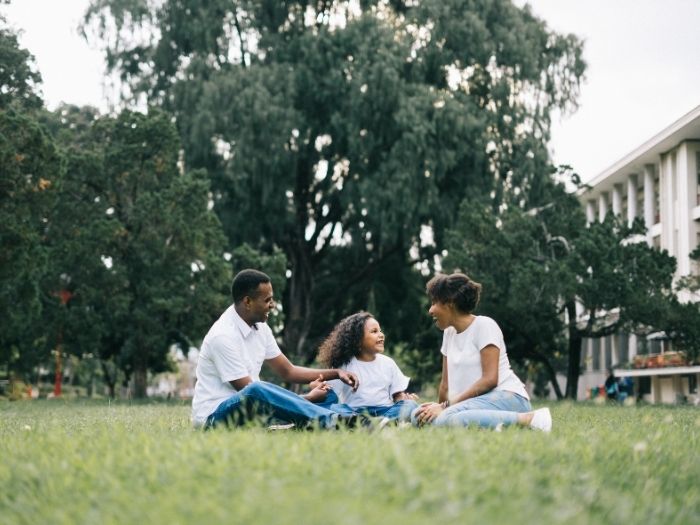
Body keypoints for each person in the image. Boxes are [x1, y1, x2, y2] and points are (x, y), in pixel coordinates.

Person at [191, 269, 362, 430]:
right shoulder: (222, 336)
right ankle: (330, 420)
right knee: (255, 389)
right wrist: (308, 398)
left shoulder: (261, 328)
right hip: (215, 417)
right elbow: (252, 395)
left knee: (327, 396)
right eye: (267, 300)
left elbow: (289, 371)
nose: (272, 305)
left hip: (255, 409)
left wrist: (337, 373)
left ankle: (356, 418)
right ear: (247, 302)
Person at [413, 272, 552, 432]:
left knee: (447, 419)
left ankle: (530, 419)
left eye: (434, 302)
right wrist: (438, 409)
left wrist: (446, 408)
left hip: (507, 397)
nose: (430, 310)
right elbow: (445, 385)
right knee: (418, 415)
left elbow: (490, 380)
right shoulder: (449, 333)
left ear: (449, 303)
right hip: (474, 403)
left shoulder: (484, 325)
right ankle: (488, 424)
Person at [312, 312, 419, 424]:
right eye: (374, 331)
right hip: (355, 412)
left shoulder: (388, 363)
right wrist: (319, 386)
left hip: (385, 410)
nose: (381, 335)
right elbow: (330, 393)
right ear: (357, 340)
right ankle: (374, 423)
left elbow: (397, 395)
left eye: (380, 331)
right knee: (336, 408)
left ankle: (383, 422)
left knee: (410, 405)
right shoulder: (344, 365)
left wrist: (403, 399)